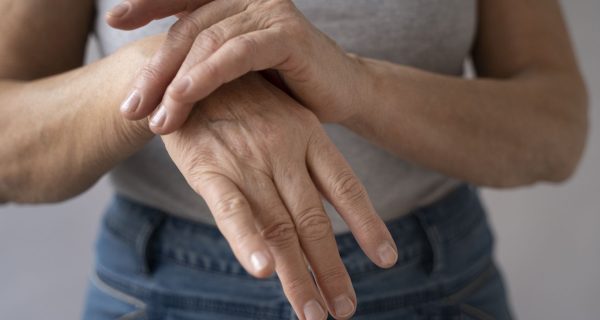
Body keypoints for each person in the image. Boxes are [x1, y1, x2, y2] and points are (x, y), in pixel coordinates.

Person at [0, 0, 587, 319]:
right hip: (160, 286)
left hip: (432, 280)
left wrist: (358, 85)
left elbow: (555, 128)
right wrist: (162, 74)